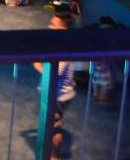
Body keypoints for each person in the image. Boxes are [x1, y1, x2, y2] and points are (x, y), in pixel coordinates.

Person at [33, 12, 76, 160]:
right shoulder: (62, 44)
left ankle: (55, 156)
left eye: (53, 25)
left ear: (62, 29)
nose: (49, 26)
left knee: (52, 129)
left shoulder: (63, 50)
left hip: (58, 96)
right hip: (58, 93)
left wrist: (36, 63)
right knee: (52, 126)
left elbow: (52, 74)